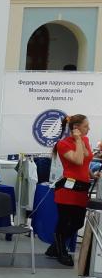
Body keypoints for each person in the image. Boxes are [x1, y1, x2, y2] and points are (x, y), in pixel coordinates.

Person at [46, 114, 97, 266]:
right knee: (65, 221)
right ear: (76, 128)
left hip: (82, 188)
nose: (89, 129)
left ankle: (55, 247)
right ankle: (62, 252)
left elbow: (85, 161)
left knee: (78, 222)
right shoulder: (63, 144)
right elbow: (78, 159)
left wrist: (93, 175)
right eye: (86, 126)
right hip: (68, 189)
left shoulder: (85, 140)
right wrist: (78, 140)